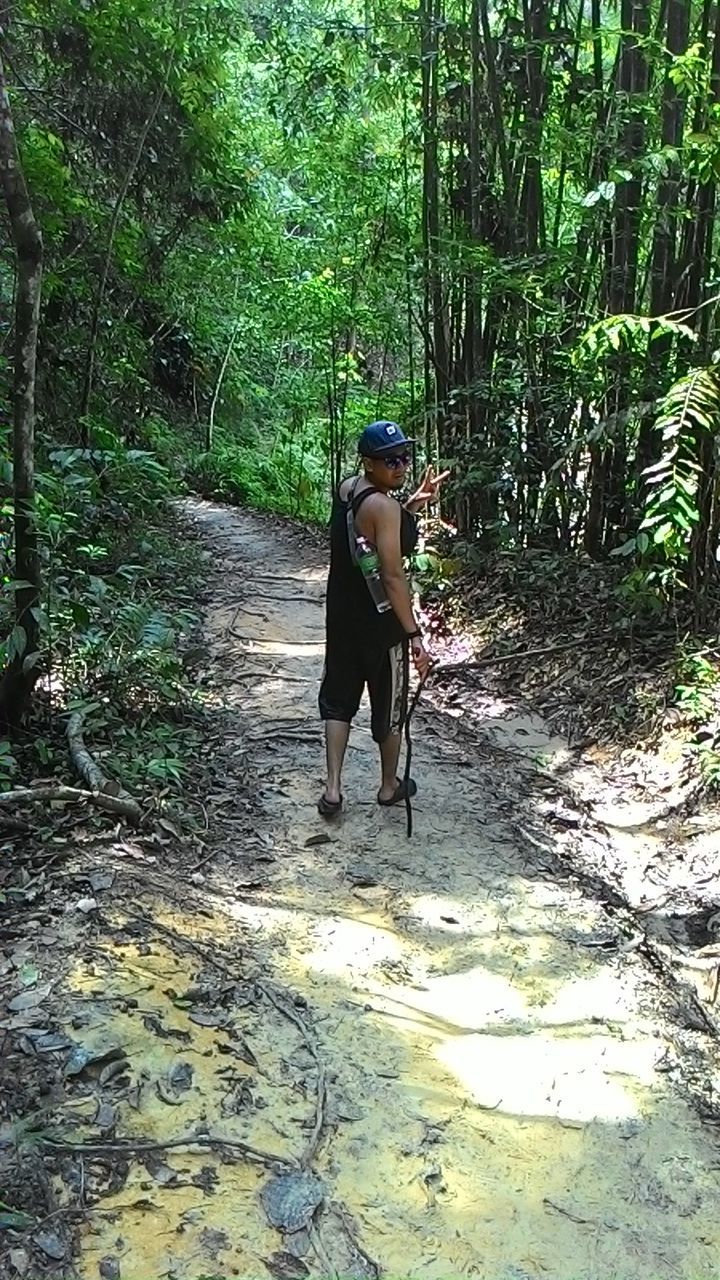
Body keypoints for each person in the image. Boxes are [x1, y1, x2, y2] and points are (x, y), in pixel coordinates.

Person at [317, 420, 448, 816]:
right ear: (369, 463)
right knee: (389, 706)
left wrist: (412, 505)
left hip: (342, 617)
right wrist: (414, 636)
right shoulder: (384, 507)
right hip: (381, 626)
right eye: (390, 460)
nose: (401, 467)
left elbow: (365, 537)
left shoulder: (347, 490)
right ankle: (389, 785)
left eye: (404, 457)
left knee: (338, 700)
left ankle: (334, 789)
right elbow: (392, 575)